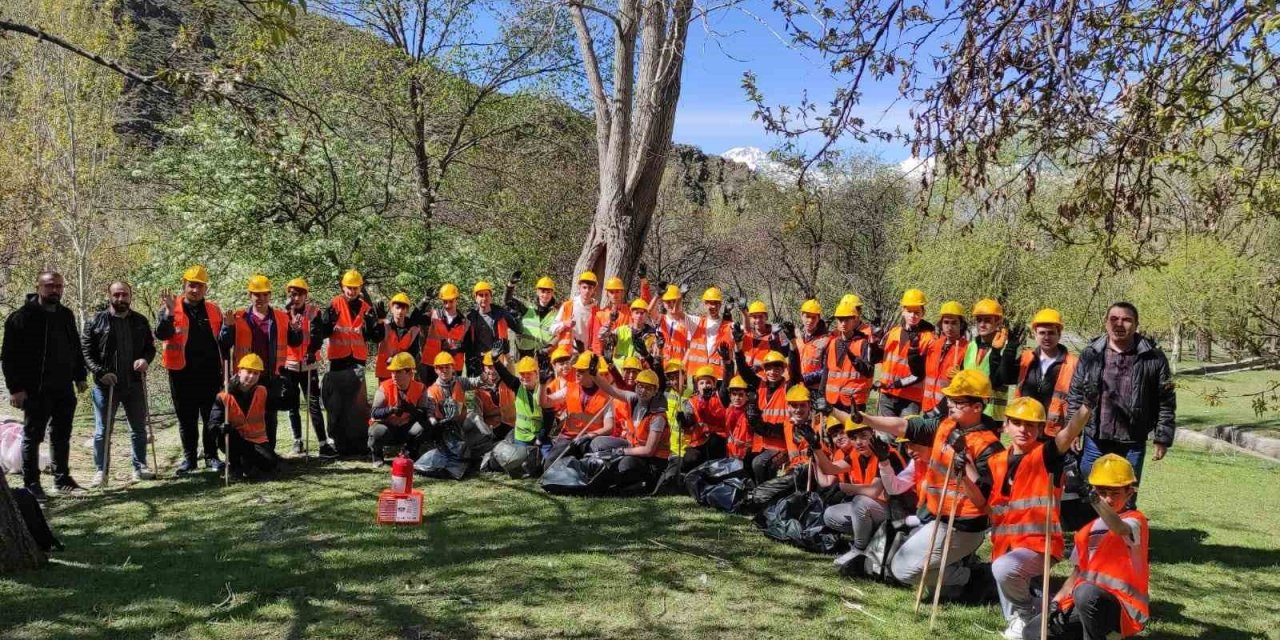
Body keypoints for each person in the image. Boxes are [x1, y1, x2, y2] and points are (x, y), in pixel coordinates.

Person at [858, 368, 1004, 596]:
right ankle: (957, 567)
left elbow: (984, 501)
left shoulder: (990, 447)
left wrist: (963, 467)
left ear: (977, 406)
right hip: (937, 518)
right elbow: (903, 426)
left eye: (958, 401)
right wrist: (864, 418)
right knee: (914, 575)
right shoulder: (944, 426)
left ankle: (974, 576)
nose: (951, 405)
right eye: (950, 400)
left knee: (906, 571)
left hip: (964, 526)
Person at [988, 396, 1090, 639]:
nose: (1024, 430)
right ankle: (1036, 610)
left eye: (1031, 425)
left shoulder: (1045, 456)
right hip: (1005, 544)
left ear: (1040, 429)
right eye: (1018, 423)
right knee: (1002, 570)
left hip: (1039, 543)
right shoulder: (996, 461)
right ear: (1006, 424)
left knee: (1004, 570)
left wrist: (1087, 408)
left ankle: (1027, 613)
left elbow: (1066, 435)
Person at [1023, 454, 1149, 640]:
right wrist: (1055, 603)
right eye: (1102, 493)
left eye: (1115, 493)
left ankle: (1106, 635)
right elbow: (1077, 574)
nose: (1108, 499)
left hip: (1123, 610)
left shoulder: (1135, 521)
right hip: (1086, 604)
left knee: (1085, 592)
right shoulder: (1086, 531)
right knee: (1033, 631)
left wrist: (1094, 499)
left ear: (1129, 493)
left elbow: (1118, 528)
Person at [1067, 302, 1175, 491]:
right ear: (1106, 322)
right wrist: (1072, 430)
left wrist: (1162, 438)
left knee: (1125, 496)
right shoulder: (1091, 354)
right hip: (1095, 438)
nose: (1119, 324)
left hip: (1133, 442)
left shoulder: (1154, 358)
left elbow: (1166, 401)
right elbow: (1076, 393)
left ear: (1136, 324)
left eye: (1126, 320)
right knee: (1088, 495)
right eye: (1114, 319)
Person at [2, 271, 88, 499]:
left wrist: (80, 375)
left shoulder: (66, 315)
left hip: (63, 387)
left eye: (59, 286)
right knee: (33, 436)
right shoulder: (21, 318)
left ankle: (62, 479)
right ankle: (31, 484)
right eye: (50, 286)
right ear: (38, 286)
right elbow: (8, 357)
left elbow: (75, 347)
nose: (55, 291)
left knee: (62, 435)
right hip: (35, 389)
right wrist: (15, 389)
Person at [82, 281, 156, 485]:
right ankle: (101, 471)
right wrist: (100, 372)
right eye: (117, 295)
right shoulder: (95, 321)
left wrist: (146, 360)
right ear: (109, 296)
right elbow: (86, 352)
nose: (121, 299)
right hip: (106, 386)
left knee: (139, 429)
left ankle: (140, 467)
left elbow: (150, 348)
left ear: (130, 296)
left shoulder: (140, 321)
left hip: (134, 383)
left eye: (124, 295)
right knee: (102, 431)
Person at [219, 275, 303, 451]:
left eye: (265, 294)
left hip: (270, 375)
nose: (261, 298)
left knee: (269, 417)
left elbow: (294, 342)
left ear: (270, 295)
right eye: (257, 294)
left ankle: (269, 452)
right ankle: (244, 455)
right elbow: (224, 344)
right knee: (244, 416)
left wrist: (296, 330)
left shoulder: (281, 317)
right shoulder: (238, 316)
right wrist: (227, 327)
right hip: (246, 378)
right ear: (250, 295)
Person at [156, 265, 226, 474]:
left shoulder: (214, 310)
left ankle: (211, 456)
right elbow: (161, 334)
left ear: (205, 288)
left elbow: (222, 339)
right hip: (180, 373)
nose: (195, 290)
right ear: (184, 285)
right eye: (191, 285)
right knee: (186, 419)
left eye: (199, 286)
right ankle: (189, 459)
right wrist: (168, 314)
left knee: (210, 417)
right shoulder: (170, 307)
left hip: (210, 373)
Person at [313, 269, 381, 455]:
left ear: (360, 288)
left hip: (357, 360)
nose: (351, 291)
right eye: (348, 288)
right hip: (338, 361)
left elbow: (374, 337)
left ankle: (358, 441)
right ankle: (339, 441)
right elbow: (324, 332)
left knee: (357, 404)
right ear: (342, 287)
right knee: (337, 404)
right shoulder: (335, 304)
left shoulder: (366, 307)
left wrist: (373, 325)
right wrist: (327, 323)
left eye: (355, 288)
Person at [817, 421, 902, 565]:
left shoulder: (886, 454)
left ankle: (859, 549)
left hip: (895, 512)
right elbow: (829, 469)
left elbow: (873, 491)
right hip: (873, 509)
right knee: (830, 514)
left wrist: (843, 487)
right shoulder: (856, 455)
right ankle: (869, 540)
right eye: (854, 438)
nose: (859, 442)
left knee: (860, 502)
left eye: (864, 436)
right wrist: (816, 448)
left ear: (873, 435)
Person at [588, 364, 673, 490]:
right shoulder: (633, 398)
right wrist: (594, 374)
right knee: (598, 443)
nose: (643, 391)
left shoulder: (658, 417)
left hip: (652, 461)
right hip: (633, 447)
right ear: (636, 386)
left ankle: (634, 483)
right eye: (640, 386)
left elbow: (649, 450)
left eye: (648, 388)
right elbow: (610, 390)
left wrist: (620, 452)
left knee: (625, 463)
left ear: (655, 391)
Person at [279, 278, 335, 457]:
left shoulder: (313, 312)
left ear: (305, 295)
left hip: (309, 365)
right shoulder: (282, 314)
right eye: (292, 294)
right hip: (289, 365)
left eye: (299, 294)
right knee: (292, 404)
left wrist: (312, 351)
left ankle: (323, 443)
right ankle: (297, 441)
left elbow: (317, 334)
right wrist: (288, 315)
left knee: (313, 404)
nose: (295, 298)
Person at [210, 354, 279, 478]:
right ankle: (235, 466)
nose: (252, 376)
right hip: (234, 440)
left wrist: (287, 393)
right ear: (240, 371)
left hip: (256, 440)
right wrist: (221, 428)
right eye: (249, 372)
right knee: (230, 436)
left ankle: (246, 465)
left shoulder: (262, 391)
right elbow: (212, 425)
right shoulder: (224, 396)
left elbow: (277, 406)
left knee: (270, 464)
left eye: (256, 373)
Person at [543, 353, 615, 467]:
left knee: (591, 467)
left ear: (592, 373)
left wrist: (589, 435)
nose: (577, 373)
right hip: (568, 438)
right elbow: (545, 403)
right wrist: (542, 385)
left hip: (591, 440)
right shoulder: (569, 388)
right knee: (550, 463)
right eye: (577, 369)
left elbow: (609, 427)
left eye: (581, 370)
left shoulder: (606, 395)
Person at [810, 296, 879, 413]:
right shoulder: (832, 343)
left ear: (854, 320)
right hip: (833, 400)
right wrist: (821, 395)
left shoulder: (863, 343)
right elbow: (826, 371)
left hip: (854, 402)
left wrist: (855, 359)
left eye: (847, 320)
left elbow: (869, 371)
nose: (843, 323)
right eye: (840, 320)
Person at [734, 349, 791, 484]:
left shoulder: (788, 387)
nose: (772, 372)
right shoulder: (760, 385)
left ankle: (764, 492)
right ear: (764, 369)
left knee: (759, 463)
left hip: (781, 444)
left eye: (777, 368)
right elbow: (744, 371)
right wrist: (738, 348)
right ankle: (755, 490)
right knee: (746, 461)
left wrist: (793, 346)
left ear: (783, 370)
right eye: (769, 368)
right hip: (761, 443)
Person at [877, 289, 935, 416]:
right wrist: (873, 343)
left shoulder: (928, 338)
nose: (913, 316)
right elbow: (880, 359)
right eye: (909, 311)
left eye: (916, 312)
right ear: (903, 311)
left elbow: (924, 372)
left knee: (905, 435)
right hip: (887, 394)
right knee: (885, 436)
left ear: (923, 313)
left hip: (911, 398)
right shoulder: (893, 332)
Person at [964, 298, 1022, 422]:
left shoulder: (1006, 348)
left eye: (987, 320)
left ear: (998, 322)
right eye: (979, 320)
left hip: (992, 415)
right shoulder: (971, 346)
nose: (982, 324)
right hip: (969, 411)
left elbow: (1000, 380)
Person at [367, 352, 430, 465]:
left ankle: (410, 453)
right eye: (392, 372)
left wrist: (410, 409)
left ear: (410, 373)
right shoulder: (384, 387)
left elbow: (423, 414)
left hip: (406, 428)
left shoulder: (420, 388)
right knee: (378, 431)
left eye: (398, 371)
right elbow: (374, 413)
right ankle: (377, 455)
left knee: (422, 427)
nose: (394, 375)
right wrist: (390, 410)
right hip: (387, 427)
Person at [463, 281, 523, 376]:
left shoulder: (501, 313)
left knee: (503, 387)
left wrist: (517, 316)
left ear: (491, 297)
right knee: (481, 389)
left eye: (487, 295)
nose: (484, 298)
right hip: (479, 360)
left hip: (498, 359)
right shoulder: (470, 317)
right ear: (475, 298)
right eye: (481, 295)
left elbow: (519, 329)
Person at [921, 301, 969, 415]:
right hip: (927, 407)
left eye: (954, 323)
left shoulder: (967, 348)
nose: (949, 327)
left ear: (961, 325)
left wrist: (961, 376)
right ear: (941, 324)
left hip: (949, 409)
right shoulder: (933, 346)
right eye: (946, 322)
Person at [420, 283, 467, 385]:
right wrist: (425, 301)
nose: (448, 305)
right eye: (445, 301)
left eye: (451, 301)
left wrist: (457, 349)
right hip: (430, 365)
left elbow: (470, 346)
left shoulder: (465, 322)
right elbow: (414, 318)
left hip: (452, 367)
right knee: (429, 398)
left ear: (457, 300)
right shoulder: (433, 315)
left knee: (451, 399)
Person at [505, 273, 558, 363]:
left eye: (548, 292)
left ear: (552, 293)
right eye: (543, 291)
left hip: (545, 356)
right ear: (537, 292)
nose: (545, 295)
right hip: (523, 354)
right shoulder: (527, 308)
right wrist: (510, 286)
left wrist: (549, 348)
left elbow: (559, 335)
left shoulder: (556, 314)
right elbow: (508, 301)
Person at [682, 287, 734, 379]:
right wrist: (681, 297)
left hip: (719, 377)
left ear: (720, 305)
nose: (713, 306)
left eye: (716, 303)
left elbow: (747, 329)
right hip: (697, 376)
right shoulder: (696, 322)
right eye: (710, 303)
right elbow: (678, 314)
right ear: (705, 304)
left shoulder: (729, 325)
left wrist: (744, 312)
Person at [375, 293, 423, 382]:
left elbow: (413, 352)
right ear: (391, 309)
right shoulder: (384, 325)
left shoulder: (413, 329)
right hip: (386, 372)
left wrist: (397, 360)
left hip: (403, 372)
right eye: (397, 307)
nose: (400, 311)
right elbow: (376, 337)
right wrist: (379, 321)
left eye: (403, 308)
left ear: (407, 310)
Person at [551, 272, 601, 353]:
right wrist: (564, 324)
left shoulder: (596, 311)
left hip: (585, 356)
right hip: (566, 354)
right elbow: (552, 329)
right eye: (584, 287)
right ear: (579, 288)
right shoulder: (568, 305)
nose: (587, 291)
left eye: (590, 288)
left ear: (593, 290)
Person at [608, 298, 657, 371]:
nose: (639, 316)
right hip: (619, 373)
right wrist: (610, 322)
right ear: (632, 314)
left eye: (642, 313)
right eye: (637, 313)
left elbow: (654, 359)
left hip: (639, 375)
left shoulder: (652, 336)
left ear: (646, 315)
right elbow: (602, 337)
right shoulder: (620, 330)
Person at [740, 300, 786, 371]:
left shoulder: (774, 336)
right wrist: (744, 313)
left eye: (761, 317)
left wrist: (774, 337)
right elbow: (746, 327)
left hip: (763, 378)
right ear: (750, 319)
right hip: (742, 377)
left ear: (766, 317)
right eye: (755, 317)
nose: (758, 320)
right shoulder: (746, 334)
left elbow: (778, 359)